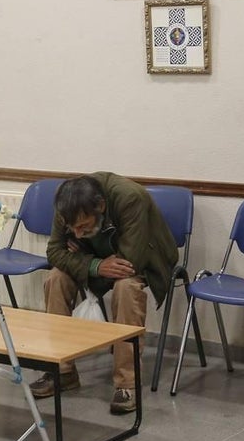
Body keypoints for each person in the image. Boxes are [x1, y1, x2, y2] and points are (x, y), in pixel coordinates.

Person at [28, 173, 177, 414]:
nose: (76, 234)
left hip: (145, 260)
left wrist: (80, 258)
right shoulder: (67, 204)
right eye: (72, 229)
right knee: (55, 278)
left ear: (101, 206)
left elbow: (130, 262)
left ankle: (127, 384)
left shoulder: (131, 198)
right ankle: (62, 371)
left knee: (126, 287)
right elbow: (54, 252)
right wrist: (94, 265)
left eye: (83, 227)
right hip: (96, 259)